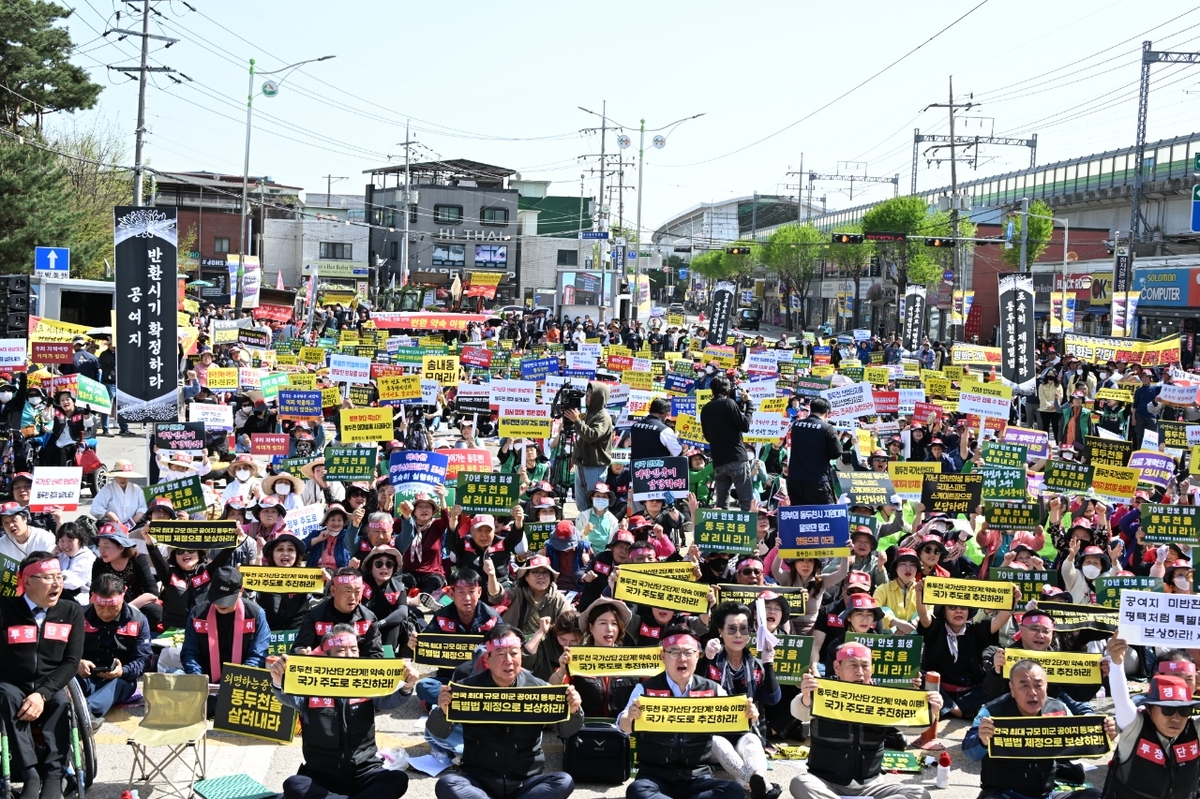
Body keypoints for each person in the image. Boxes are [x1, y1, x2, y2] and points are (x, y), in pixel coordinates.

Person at [429, 624, 584, 799]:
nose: (508, 660)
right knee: (447, 784)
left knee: (563, 780)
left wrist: (573, 710)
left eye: (514, 653)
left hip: (525, 781)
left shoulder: (539, 688)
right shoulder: (467, 688)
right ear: (487, 659)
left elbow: (567, 730)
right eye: (501, 654)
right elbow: (438, 731)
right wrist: (442, 711)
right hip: (479, 780)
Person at [270, 625, 418, 799]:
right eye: (341, 650)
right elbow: (288, 698)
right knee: (294, 785)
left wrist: (408, 686)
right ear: (327, 655)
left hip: (364, 770)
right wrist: (278, 680)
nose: (349, 655)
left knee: (397, 779)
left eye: (353, 650)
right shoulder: (308, 683)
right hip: (321, 774)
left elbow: (388, 701)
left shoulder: (368, 681)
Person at [789, 641, 941, 799]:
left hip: (871, 785)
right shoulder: (822, 691)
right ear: (837, 667)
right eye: (853, 665)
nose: (860, 672)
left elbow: (916, 728)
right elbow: (798, 712)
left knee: (919, 794)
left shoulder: (884, 696)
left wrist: (931, 710)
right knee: (800, 783)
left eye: (865, 666)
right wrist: (806, 697)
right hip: (825, 782)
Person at [617, 626, 753, 799]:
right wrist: (630, 716)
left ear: (698, 656)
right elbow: (622, 726)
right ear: (662, 656)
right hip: (655, 777)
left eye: (688, 652)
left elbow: (736, 725)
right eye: (674, 652)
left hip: (697, 776)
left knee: (733, 791)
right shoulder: (644, 689)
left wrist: (748, 716)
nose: (682, 659)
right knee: (637, 791)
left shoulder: (712, 690)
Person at [963, 659, 1113, 799]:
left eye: (1038, 685)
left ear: (1046, 687)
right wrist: (982, 740)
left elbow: (1078, 749)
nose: (1032, 692)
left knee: (1095, 795)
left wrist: (1103, 737)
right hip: (1003, 794)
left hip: (1045, 794)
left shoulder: (1059, 710)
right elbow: (969, 752)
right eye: (1024, 685)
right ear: (1012, 689)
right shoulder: (992, 712)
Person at [0, 552, 85, 799]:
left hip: (51, 682)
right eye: (48, 578)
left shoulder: (71, 611)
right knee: (7, 697)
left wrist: (42, 694)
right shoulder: (6, 609)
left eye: (59, 576)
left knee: (59, 702)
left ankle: (53, 775)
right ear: (27, 581)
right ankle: (30, 775)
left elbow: (71, 662)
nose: (57, 583)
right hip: (11, 680)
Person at [1104, 635, 1200, 799]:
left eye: (1184, 711)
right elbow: (1120, 698)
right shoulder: (1134, 726)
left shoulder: (1195, 728)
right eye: (1167, 710)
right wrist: (1116, 663)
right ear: (1149, 708)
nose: (1176, 719)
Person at [179, 564, 270, 695]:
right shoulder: (198, 613)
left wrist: (234, 682)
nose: (222, 604)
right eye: (218, 597)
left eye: (227, 599)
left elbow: (257, 655)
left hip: (241, 684)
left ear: (241, 591)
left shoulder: (255, 614)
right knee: (173, 674)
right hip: (205, 681)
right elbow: (190, 652)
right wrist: (197, 679)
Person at [76, 573, 152, 729]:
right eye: (100, 607)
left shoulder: (138, 621)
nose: (105, 613)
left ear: (122, 597)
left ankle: (85, 713)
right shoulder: (79, 616)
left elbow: (143, 660)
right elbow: (62, 651)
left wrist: (122, 671)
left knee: (119, 684)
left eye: (112, 607)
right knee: (69, 682)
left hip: (120, 679)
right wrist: (77, 662)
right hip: (85, 674)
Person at [292, 567, 384, 658]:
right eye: (348, 591)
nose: (352, 597)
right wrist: (303, 653)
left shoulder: (368, 618)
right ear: (333, 591)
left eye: (357, 592)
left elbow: (376, 655)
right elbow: (299, 648)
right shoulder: (315, 616)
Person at [700, 376, 754, 511]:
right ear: (728, 390)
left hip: (719, 461)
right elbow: (745, 425)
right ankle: (749, 531)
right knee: (746, 502)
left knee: (721, 506)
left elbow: (707, 437)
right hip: (736, 458)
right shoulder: (729, 403)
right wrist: (749, 404)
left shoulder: (705, 409)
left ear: (711, 391)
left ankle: (722, 531)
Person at [562, 382, 614, 515]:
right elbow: (580, 440)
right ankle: (583, 530)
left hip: (595, 467)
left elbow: (591, 436)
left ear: (599, 397)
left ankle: (595, 531)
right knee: (582, 504)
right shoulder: (589, 414)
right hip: (582, 464)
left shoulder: (603, 417)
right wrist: (573, 459)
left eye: (591, 394)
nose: (587, 396)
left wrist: (577, 421)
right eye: (587, 393)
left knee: (595, 504)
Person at [786, 397, 842, 505]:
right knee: (823, 516)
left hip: (795, 480)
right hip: (817, 480)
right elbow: (837, 452)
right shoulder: (827, 428)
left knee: (800, 515)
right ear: (827, 413)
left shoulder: (796, 425)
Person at [90, 460, 148, 528]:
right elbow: (95, 508)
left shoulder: (136, 489)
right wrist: (109, 514)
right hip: (112, 525)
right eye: (120, 476)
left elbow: (144, 507)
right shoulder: (107, 489)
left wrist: (136, 518)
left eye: (126, 476)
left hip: (133, 524)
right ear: (115, 476)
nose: (123, 479)